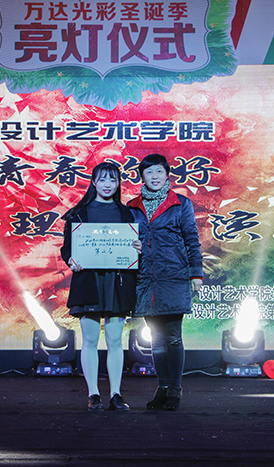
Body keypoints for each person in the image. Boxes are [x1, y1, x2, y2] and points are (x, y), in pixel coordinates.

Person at [60, 162, 138, 412]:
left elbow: (135, 244)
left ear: (118, 183)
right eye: (102, 179)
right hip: (89, 282)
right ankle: (93, 394)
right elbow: (67, 248)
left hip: (117, 282)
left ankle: (116, 394)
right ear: (93, 182)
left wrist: (136, 248)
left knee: (115, 340)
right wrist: (71, 259)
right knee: (90, 339)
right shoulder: (78, 214)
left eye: (113, 180)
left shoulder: (127, 214)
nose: (107, 184)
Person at [128, 153, 203, 411]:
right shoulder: (131, 206)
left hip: (173, 276)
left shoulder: (181, 203)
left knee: (173, 338)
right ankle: (161, 387)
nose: (155, 176)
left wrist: (196, 274)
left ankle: (175, 390)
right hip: (145, 280)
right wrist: (131, 246)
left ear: (167, 174)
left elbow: (192, 239)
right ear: (142, 176)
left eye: (159, 171)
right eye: (149, 172)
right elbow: (124, 241)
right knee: (155, 340)